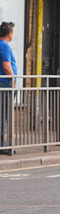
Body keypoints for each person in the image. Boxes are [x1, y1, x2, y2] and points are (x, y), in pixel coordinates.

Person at [0, 21, 16, 149]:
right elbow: (6, 67)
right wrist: (14, 81)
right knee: (3, 115)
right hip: (5, 84)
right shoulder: (4, 46)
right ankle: (1, 144)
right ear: (9, 34)